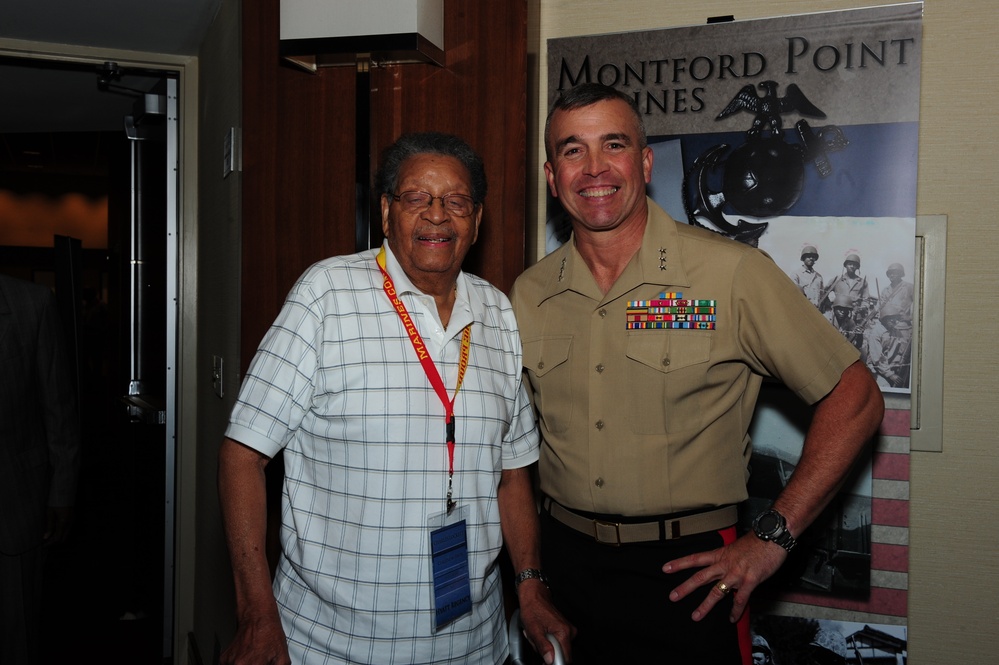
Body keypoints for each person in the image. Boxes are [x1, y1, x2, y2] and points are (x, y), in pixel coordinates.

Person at [509, 83, 884, 662]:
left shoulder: (729, 274)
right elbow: (514, 455)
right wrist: (531, 580)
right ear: (551, 174)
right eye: (572, 150)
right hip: (565, 575)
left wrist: (772, 537)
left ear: (645, 161)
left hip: (690, 577)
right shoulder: (530, 294)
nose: (594, 168)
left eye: (613, 144)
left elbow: (855, 398)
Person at [218, 132, 571, 665]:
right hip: (330, 648)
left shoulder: (497, 312)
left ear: (477, 220)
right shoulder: (327, 294)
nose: (437, 216)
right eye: (416, 198)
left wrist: (529, 584)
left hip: (475, 646)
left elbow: (512, 471)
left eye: (456, 201)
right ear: (386, 213)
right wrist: (255, 614)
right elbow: (242, 456)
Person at [0, 274, 81, 665]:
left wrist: (61, 492)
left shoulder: (31, 304)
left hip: (14, 506)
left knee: (16, 638)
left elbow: (59, 408)